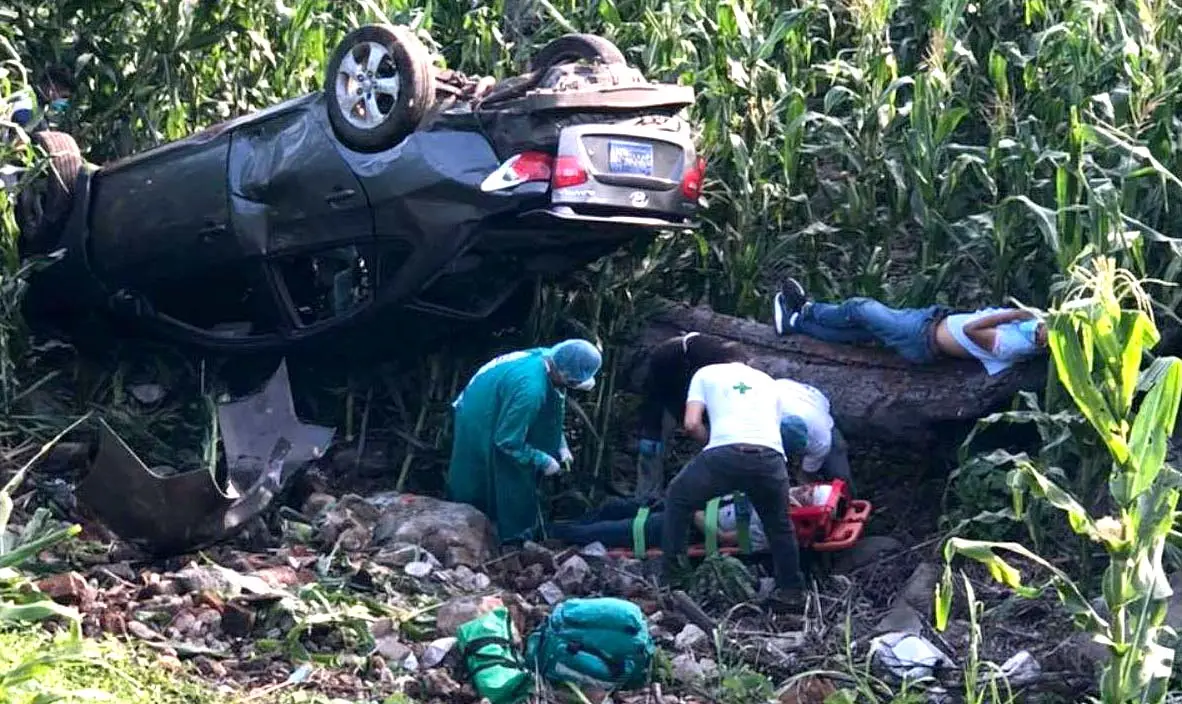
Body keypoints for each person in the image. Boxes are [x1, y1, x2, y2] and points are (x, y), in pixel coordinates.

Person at [662, 357, 805, 606]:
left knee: (678, 498)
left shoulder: (705, 372)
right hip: (770, 457)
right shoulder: (770, 383)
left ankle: (675, 582)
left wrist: (710, 446)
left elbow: (691, 423)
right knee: (779, 525)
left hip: (725, 452)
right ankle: (791, 592)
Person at [446, 339, 602, 543]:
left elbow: (551, 408)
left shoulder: (549, 357)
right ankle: (502, 537)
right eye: (571, 383)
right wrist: (542, 460)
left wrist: (560, 443)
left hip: (496, 399)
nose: (570, 387)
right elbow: (506, 441)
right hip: (480, 414)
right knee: (491, 472)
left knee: (510, 464)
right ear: (564, 375)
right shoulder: (530, 390)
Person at [772, 278, 1047, 375]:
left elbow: (970, 331)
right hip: (929, 323)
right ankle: (795, 324)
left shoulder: (1018, 345)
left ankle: (807, 309)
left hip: (921, 338)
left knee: (860, 308)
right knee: (859, 331)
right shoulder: (1034, 327)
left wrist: (1014, 314)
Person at [633, 332, 748, 498]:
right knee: (651, 450)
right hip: (671, 402)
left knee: (713, 458)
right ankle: (645, 499)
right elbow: (653, 395)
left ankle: (700, 503)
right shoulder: (666, 357)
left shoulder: (735, 367)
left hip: (713, 413)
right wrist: (652, 431)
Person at [776, 378, 854, 494]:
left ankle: (850, 503)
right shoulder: (759, 418)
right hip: (784, 389)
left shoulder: (821, 440)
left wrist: (804, 490)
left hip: (811, 399)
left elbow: (807, 476)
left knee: (838, 474)